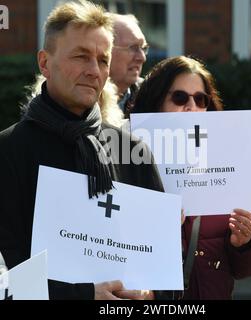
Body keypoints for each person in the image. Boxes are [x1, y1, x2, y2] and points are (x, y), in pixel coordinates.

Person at [0, 0, 170, 300]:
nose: (94, 71)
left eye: (103, 60)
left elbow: (167, 279)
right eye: (81, 56)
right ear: (44, 63)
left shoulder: (135, 151)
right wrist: (81, 296)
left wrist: (150, 294)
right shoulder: (9, 151)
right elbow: (7, 276)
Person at [131, 56, 251, 299]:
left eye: (200, 99)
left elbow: (249, 268)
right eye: (180, 97)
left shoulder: (226, 162)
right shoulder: (129, 160)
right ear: (157, 100)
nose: (191, 106)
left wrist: (244, 243)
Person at [109, 14, 148, 115]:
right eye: (133, 47)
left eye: (143, 48)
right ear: (105, 51)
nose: (142, 58)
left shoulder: (153, 96)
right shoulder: (80, 99)